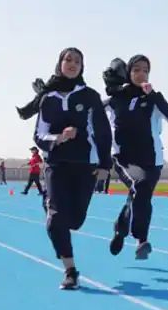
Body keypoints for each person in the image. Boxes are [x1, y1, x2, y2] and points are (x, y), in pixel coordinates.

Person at [17, 47, 112, 289]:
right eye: (67, 59)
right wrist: (58, 138)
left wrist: (104, 165)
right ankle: (70, 270)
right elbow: (39, 135)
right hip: (56, 165)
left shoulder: (89, 96)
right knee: (56, 220)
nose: (72, 64)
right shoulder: (48, 100)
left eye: (77, 61)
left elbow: (103, 132)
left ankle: (52, 207)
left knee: (76, 220)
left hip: (85, 166)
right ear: (59, 63)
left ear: (82, 67)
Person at [104, 55, 168, 259]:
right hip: (124, 158)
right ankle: (141, 240)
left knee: (140, 195)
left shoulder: (153, 98)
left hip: (152, 160)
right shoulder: (115, 100)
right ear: (129, 73)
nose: (141, 73)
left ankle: (121, 229)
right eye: (136, 69)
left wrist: (154, 95)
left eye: (145, 70)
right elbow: (90, 113)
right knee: (141, 187)